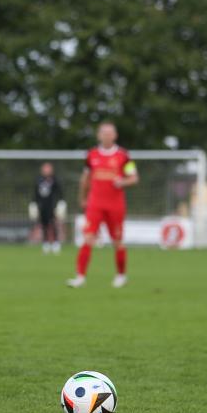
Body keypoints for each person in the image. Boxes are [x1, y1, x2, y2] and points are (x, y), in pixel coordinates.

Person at [68, 122, 139, 288]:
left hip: (115, 205)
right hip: (95, 204)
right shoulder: (91, 155)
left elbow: (134, 178)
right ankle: (80, 277)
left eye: (110, 133)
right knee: (88, 238)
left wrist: (123, 181)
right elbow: (85, 179)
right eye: (104, 133)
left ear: (115, 135)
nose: (107, 136)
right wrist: (82, 198)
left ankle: (121, 276)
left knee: (118, 241)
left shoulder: (124, 156)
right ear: (99, 135)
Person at [30, 162, 64, 254]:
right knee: (44, 225)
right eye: (45, 168)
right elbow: (35, 193)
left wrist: (61, 203)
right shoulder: (39, 180)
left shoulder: (54, 179)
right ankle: (45, 243)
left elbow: (60, 192)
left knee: (53, 224)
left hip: (52, 205)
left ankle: (56, 243)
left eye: (48, 168)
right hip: (42, 206)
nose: (46, 170)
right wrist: (33, 203)